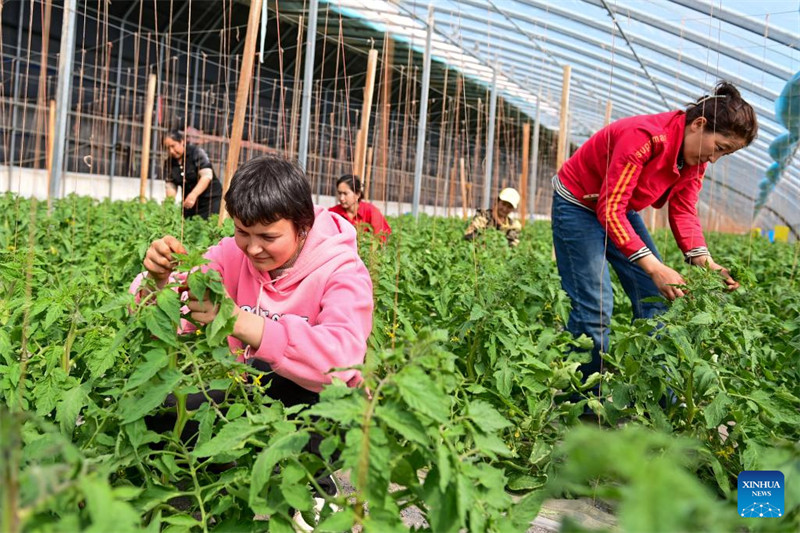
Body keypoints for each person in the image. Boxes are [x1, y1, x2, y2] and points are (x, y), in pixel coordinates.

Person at [132, 154, 374, 499]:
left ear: (303, 226)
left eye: (268, 236)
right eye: (242, 232)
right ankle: (218, 470)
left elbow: (341, 360)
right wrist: (158, 281)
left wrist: (241, 322)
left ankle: (311, 482)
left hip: (319, 404)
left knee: (292, 385)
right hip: (246, 393)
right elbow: (180, 305)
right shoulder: (232, 255)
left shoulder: (341, 269)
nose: (253, 248)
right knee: (163, 406)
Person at [551, 80, 757, 384]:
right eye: (719, 148)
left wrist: (707, 263)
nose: (714, 159)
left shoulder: (693, 160)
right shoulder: (644, 137)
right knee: (594, 307)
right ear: (699, 125)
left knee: (657, 301)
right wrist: (654, 267)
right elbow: (609, 210)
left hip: (619, 207)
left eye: (724, 155)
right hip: (580, 204)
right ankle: (580, 401)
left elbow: (684, 209)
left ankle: (653, 397)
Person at [162, 129, 223, 219]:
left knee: (211, 226)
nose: (171, 151)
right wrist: (169, 204)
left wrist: (193, 194)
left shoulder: (196, 153)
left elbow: (206, 176)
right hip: (190, 204)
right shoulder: (169, 163)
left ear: (181, 142)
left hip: (211, 200)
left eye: (173, 146)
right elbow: (171, 185)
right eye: (167, 148)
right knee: (187, 227)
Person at [329, 175, 391, 242]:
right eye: (339, 193)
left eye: (345, 194)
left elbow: (382, 237)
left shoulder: (371, 211)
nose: (341, 198)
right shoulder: (333, 213)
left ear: (357, 194)